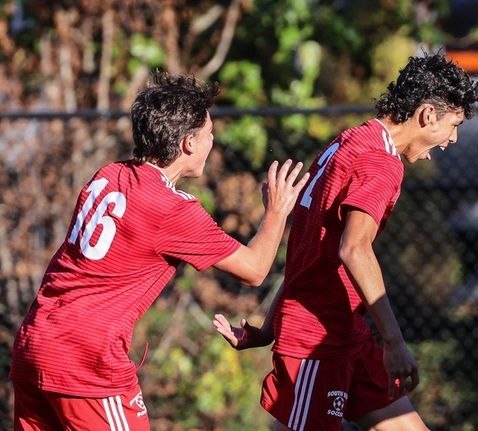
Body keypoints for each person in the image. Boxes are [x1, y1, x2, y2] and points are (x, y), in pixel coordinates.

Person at [10, 72, 309, 430]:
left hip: (35, 342)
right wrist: (277, 212)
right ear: (188, 144)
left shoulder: (109, 174)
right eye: (209, 134)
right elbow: (256, 270)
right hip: (87, 359)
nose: (213, 141)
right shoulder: (171, 209)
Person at [213, 52, 478, 430]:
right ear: (426, 115)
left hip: (347, 334)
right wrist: (394, 340)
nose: (452, 139)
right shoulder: (381, 162)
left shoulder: (348, 142)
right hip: (315, 344)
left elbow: (310, 253)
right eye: (453, 125)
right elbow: (354, 249)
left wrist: (269, 327)